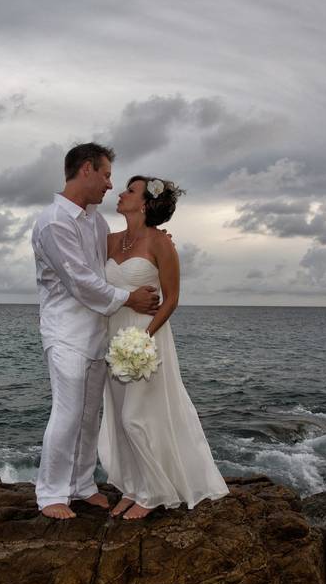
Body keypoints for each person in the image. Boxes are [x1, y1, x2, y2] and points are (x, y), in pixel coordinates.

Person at [31, 143, 160, 520]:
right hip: (65, 331)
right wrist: (129, 298)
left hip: (96, 331)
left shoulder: (96, 221)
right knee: (68, 412)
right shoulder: (55, 221)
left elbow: (113, 259)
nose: (109, 184)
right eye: (105, 175)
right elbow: (80, 281)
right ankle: (51, 493)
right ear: (86, 169)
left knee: (89, 415)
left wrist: (156, 241)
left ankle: (81, 484)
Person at [98, 175, 230, 520]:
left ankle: (155, 491)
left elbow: (172, 299)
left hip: (145, 336)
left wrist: (145, 337)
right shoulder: (109, 241)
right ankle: (132, 486)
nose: (121, 194)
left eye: (130, 190)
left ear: (144, 203)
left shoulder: (161, 243)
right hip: (113, 336)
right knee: (117, 414)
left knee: (136, 416)